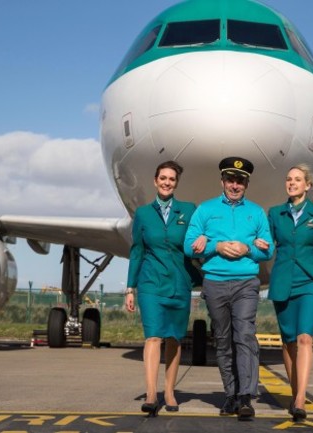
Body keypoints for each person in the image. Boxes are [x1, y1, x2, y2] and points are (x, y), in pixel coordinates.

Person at [183, 156, 274, 420]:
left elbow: (268, 250)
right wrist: (216, 246)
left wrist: (249, 249)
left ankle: (246, 397)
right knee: (223, 340)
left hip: (246, 283)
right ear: (222, 180)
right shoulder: (205, 210)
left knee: (244, 336)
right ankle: (230, 395)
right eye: (230, 179)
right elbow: (188, 245)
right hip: (215, 283)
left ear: (246, 183)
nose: (235, 185)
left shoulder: (256, 212)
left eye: (240, 181)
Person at [124, 160, 201, 417]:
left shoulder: (189, 211)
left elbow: (198, 240)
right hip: (150, 283)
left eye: (172, 179)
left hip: (179, 283)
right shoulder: (143, 214)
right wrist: (130, 288)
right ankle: (150, 393)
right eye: (163, 178)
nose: (167, 182)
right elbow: (137, 252)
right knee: (153, 336)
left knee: (174, 338)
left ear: (175, 183)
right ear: (155, 181)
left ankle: (169, 390)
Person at [266, 164, 313, 422]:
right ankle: (296, 391)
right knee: (289, 341)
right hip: (283, 281)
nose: (292, 183)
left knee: (305, 337)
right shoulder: (275, 214)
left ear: (308, 185)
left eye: (297, 180)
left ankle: (299, 398)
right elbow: (267, 245)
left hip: (310, 281)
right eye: (289, 179)